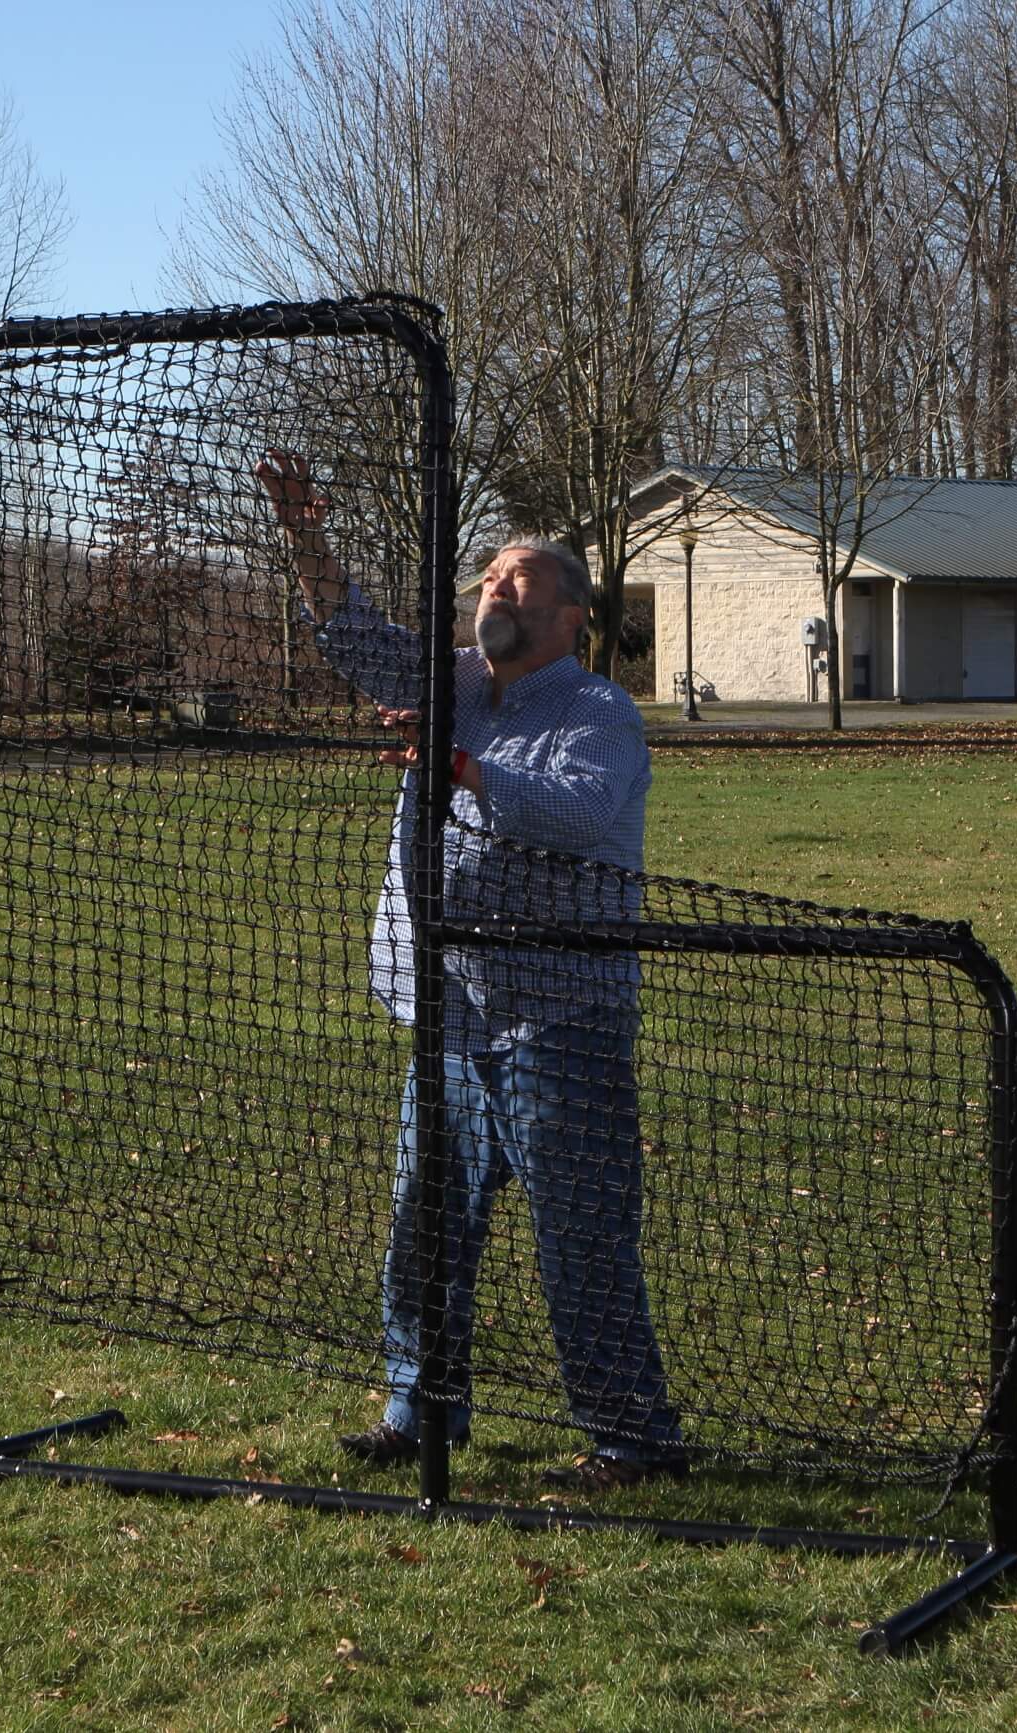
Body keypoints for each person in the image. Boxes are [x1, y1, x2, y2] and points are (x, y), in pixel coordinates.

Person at [255, 450, 685, 1493]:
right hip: (444, 1019)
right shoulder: (447, 679)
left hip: (558, 1024)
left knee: (579, 1239)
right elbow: (354, 641)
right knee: (424, 1229)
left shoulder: (599, 715)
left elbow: (574, 811)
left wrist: (455, 765)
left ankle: (631, 1441)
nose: (496, 587)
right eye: (489, 575)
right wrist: (307, 537)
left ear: (574, 613)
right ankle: (419, 1412)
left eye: (520, 578)